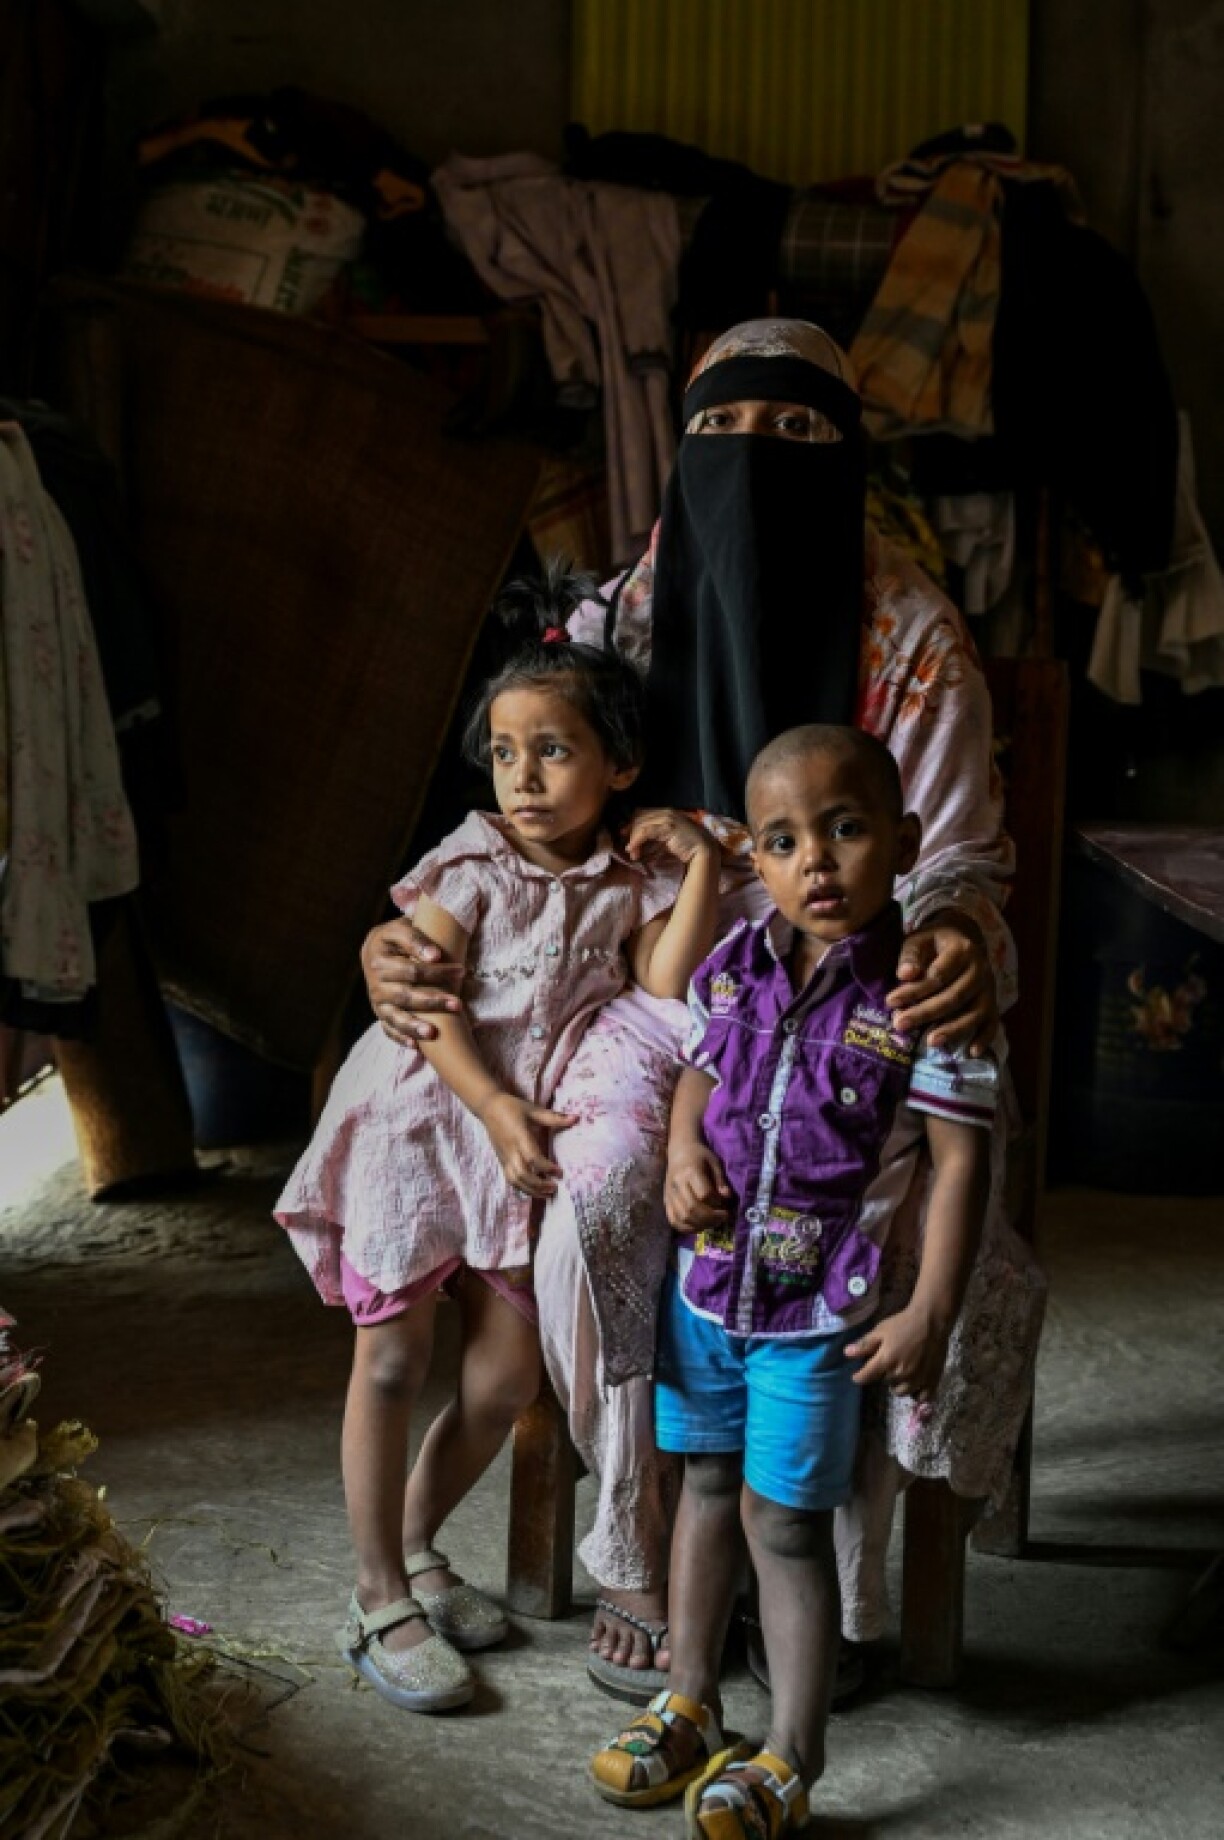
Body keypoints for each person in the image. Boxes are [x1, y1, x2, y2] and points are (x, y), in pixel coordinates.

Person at [360, 320, 1045, 1700]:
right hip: (650, 1003)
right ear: (679, 456)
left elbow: (961, 856)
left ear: (850, 461)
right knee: (598, 1195)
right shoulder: (622, 614)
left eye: (799, 437)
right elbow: (527, 797)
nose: (756, 466)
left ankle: (810, 1573)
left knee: (869, 1221)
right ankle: (641, 1546)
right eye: (722, 434)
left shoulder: (909, 634)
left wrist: (961, 930)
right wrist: (413, 926)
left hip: (857, 1003)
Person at [275, 566, 722, 1713]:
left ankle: (420, 1544)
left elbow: (667, 990)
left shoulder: (625, 882)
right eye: (508, 750)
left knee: (506, 1373)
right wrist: (489, 1103)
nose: (524, 776)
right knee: (390, 1358)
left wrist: (703, 869)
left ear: (621, 767)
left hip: (511, 1147)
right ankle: (378, 1595)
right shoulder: (468, 864)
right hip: (422, 1127)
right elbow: (424, 1011)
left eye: (556, 750)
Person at [590, 725, 998, 1833]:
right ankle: (688, 1699)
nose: (815, 861)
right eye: (783, 840)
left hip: (817, 1313)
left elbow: (963, 1158)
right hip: (708, 1291)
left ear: (905, 841)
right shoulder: (732, 963)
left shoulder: (923, 995)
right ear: (754, 861)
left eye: (847, 828)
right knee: (703, 1492)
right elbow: (696, 1072)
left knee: (784, 1524)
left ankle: (790, 1753)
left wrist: (932, 1310)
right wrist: (682, 1152)